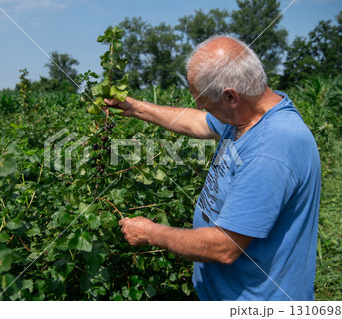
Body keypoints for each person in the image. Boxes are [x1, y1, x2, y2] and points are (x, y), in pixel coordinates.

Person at [104, 35, 321, 301]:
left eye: (203, 100)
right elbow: (198, 122)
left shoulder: (270, 150)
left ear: (230, 96)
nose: (199, 106)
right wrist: (134, 108)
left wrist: (151, 233)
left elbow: (224, 247)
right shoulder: (248, 114)